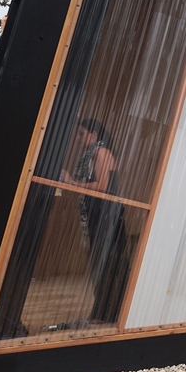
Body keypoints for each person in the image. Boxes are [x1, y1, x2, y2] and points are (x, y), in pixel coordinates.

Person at [59, 118, 128, 327]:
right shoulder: (92, 153)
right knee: (103, 262)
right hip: (98, 215)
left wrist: (72, 181)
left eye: (81, 134)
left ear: (94, 134)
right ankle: (105, 311)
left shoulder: (101, 152)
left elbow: (103, 186)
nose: (77, 139)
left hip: (107, 216)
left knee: (108, 263)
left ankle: (109, 312)